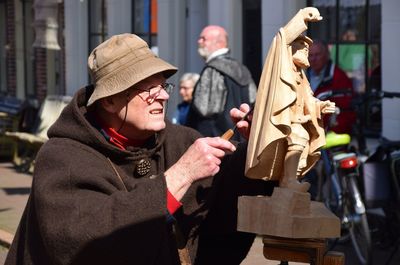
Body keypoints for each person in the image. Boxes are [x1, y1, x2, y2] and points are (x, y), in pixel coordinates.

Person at [5, 33, 274, 265]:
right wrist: (180, 175)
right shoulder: (62, 158)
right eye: (148, 88)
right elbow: (89, 243)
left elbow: (223, 196)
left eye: (162, 85)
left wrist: (254, 148)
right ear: (108, 101)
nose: (164, 96)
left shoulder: (178, 139)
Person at [245, 7, 335, 192]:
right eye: (303, 48)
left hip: (298, 121)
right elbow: (282, 38)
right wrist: (302, 16)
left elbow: (308, 100)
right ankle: (288, 181)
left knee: (303, 142)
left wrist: (320, 106)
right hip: (286, 123)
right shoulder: (282, 69)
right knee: (299, 137)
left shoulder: (302, 77)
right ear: (290, 51)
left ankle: (290, 180)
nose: (307, 51)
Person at [186, 25, 257, 141]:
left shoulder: (212, 69)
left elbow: (204, 108)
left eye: (203, 38)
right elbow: (254, 100)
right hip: (241, 141)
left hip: (215, 143)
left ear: (219, 42)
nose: (199, 41)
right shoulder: (242, 69)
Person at [306, 39, 356, 134]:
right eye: (310, 55)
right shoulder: (303, 75)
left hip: (329, 135)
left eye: (317, 55)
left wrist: (331, 130)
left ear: (326, 55)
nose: (313, 59)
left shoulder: (339, 78)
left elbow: (346, 112)